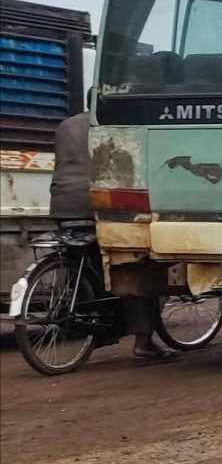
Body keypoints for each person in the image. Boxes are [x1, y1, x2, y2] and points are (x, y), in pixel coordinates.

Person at [51, 113, 177, 362]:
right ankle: (144, 342)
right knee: (133, 263)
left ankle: (97, 323)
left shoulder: (66, 124)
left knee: (85, 263)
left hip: (62, 205)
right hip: (98, 203)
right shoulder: (116, 121)